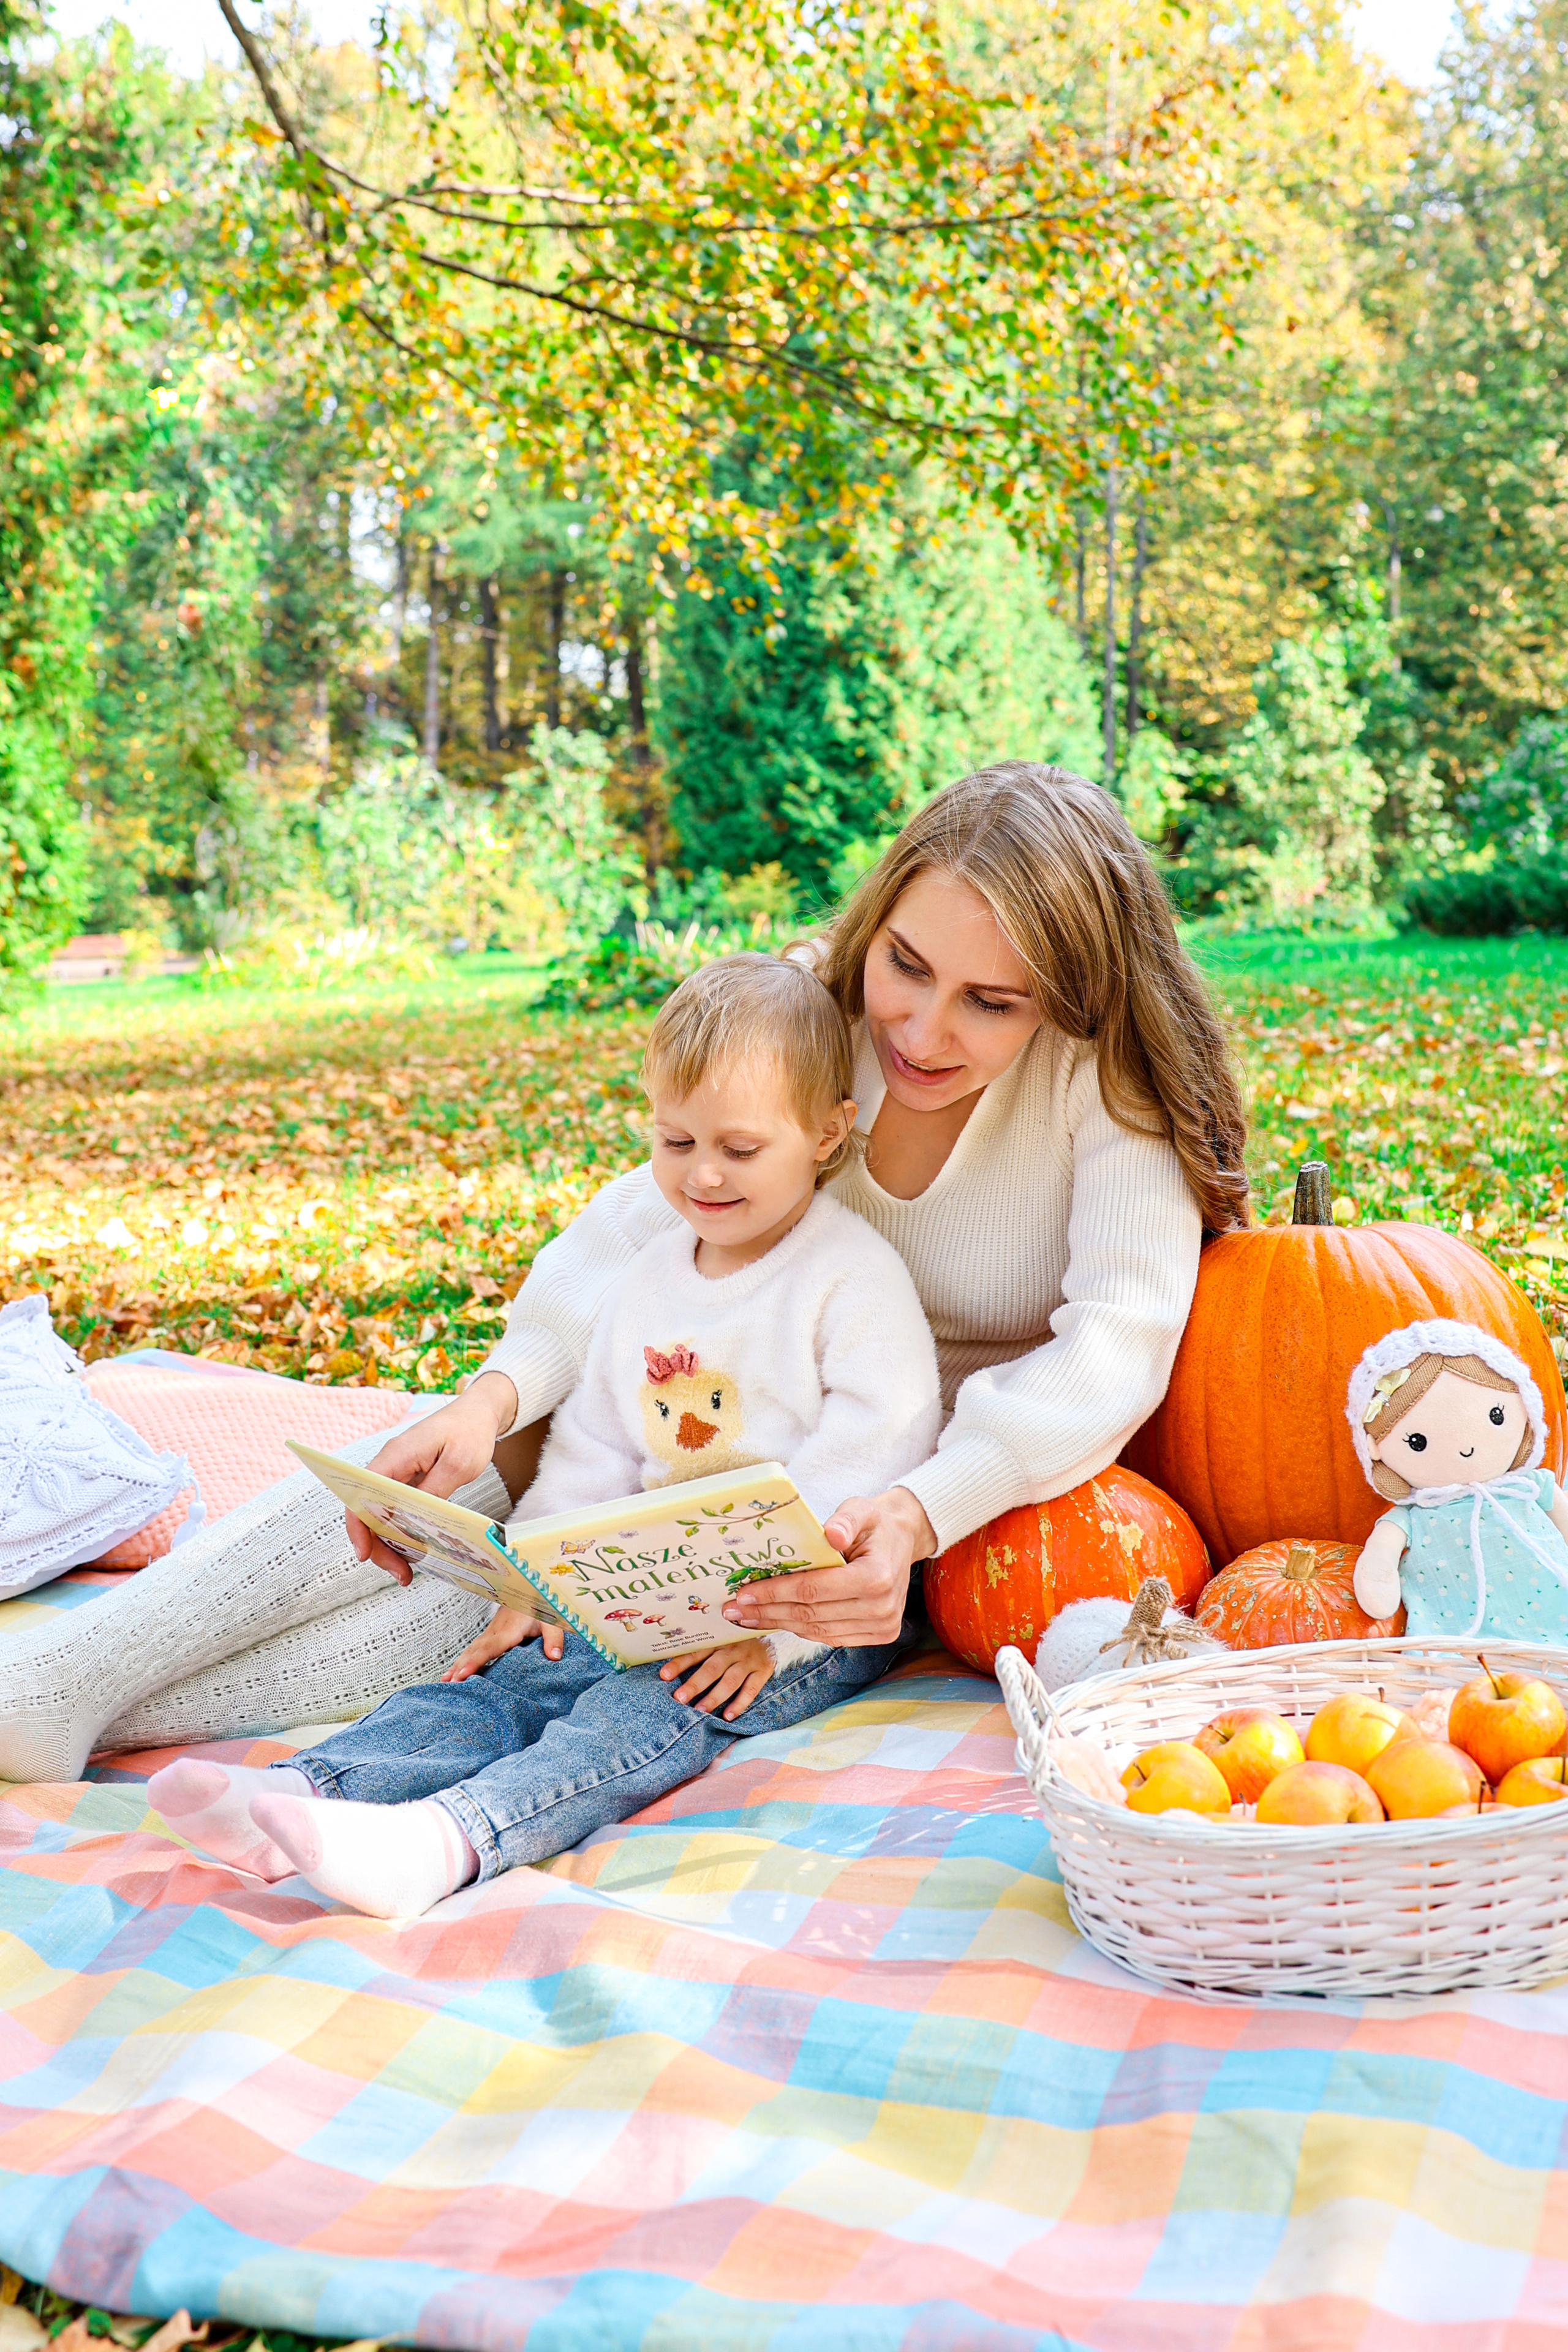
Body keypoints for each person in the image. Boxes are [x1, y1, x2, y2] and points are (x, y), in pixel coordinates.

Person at [0, 762, 1246, 1788]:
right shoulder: (812, 1012)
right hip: (709, 1393)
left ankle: (83, 1720)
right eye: (906, 967)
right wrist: (492, 1394)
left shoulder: (1103, 1082)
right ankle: (55, 1689)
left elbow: (1113, 1345)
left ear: (1068, 999)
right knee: (486, 1485)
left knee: (591, 1584)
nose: (920, 1031)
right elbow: (646, 1223)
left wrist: (915, 1513)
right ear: (877, 926)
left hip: (885, 1485)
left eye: (990, 1003)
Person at [142, 953, 941, 1913]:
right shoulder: (651, 1275)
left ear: (826, 1132)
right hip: (652, 1587)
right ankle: (308, 1789)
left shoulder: (851, 1277)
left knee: (645, 1713)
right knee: (508, 1677)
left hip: (804, 1620)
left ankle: (446, 1841)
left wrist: (769, 1629)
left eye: (739, 1147)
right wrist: (541, 1576)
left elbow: (878, 1445)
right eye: (676, 1139)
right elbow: (597, 1445)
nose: (703, 1173)